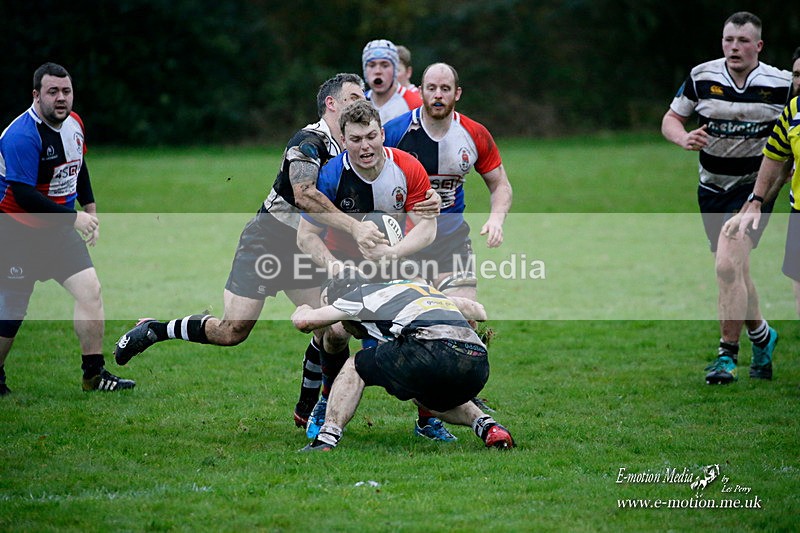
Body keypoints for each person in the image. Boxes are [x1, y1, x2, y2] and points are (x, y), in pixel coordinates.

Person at [296, 100, 453, 440]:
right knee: (335, 332)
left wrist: (393, 254)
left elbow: (428, 228)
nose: (365, 146)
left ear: (382, 134)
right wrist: (337, 270)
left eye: (371, 136)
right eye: (355, 139)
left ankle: (428, 418)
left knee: (430, 323)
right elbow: (305, 236)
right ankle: (325, 402)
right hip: (345, 268)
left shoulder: (407, 167)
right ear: (344, 139)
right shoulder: (332, 175)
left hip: (398, 263)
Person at [660, 12, 791, 385]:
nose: (734, 47)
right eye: (728, 39)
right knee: (738, 270)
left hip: (753, 193)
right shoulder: (703, 76)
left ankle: (726, 355)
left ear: (758, 46)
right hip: (711, 189)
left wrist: (772, 188)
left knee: (726, 267)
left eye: (743, 41)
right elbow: (671, 118)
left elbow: (792, 135)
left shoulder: (780, 85)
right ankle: (763, 335)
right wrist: (683, 138)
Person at [0, 62, 134, 394]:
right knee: (13, 310)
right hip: (16, 232)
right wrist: (74, 218)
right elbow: (24, 195)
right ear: (36, 95)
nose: (61, 98)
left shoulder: (74, 124)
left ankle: (93, 374)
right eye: (53, 92)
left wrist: (89, 206)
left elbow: (78, 164)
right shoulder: (20, 136)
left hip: (56, 232)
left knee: (91, 291)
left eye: (66, 91)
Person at [291, 271, 515, 452]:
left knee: (354, 365)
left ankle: (326, 439)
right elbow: (479, 311)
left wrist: (304, 309)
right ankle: (490, 428)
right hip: (477, 362)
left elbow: (304, 323)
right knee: (426, 396)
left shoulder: (358, 296)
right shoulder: (416, 288)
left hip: (431, 350)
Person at [383, 62, 513, 303]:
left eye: (445, 88)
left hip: (451, 241)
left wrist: (496, 219)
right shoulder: (394, 132)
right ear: (420, 91)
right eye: (431, 88)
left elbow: (500, 184)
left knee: (465, 314)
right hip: (405, 242)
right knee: (414, 318)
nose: (438, 95)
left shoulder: (474, 134)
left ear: (457, 93)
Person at [725, 47, 800, 321]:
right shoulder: (794, 110)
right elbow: (773, 156)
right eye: (797, 75)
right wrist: (754, 203)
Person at [362, 39, 422, 124]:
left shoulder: (415, 103)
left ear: (395, 70)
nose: (378, 71)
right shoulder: (359, 101)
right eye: (372, 65)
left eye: (385, 65)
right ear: (365, 70)